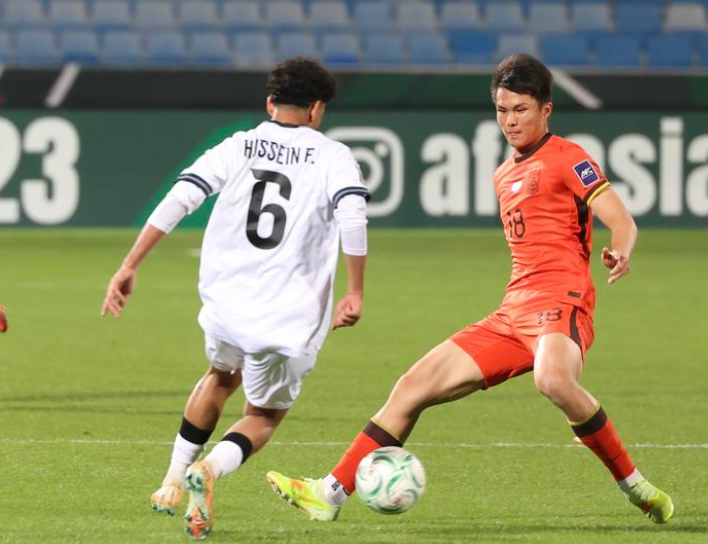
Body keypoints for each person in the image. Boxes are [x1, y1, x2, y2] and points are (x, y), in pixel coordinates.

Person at [266, 54, 674, 525]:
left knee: (553, 380)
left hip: (562, 303)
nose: (510, 121)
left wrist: (620, 250)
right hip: (512, 313)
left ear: (546, 109)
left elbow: (621, 219)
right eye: (502, 110)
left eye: (520, 109)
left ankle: (635, 485)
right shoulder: (503, 175)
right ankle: (330, 493)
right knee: (412, 387)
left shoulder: (570, 158)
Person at [101, 57, 370, 541]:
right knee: (263, 415)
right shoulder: (333, 157)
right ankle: (208, 469)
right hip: (287, 317)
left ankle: (170, 482)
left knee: (219, 376)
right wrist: (354, 290)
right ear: (316, 109)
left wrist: (129, 264)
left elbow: (180, 197)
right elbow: (352, 217)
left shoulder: (238, 145)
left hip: (226, 304)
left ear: (270, 103)